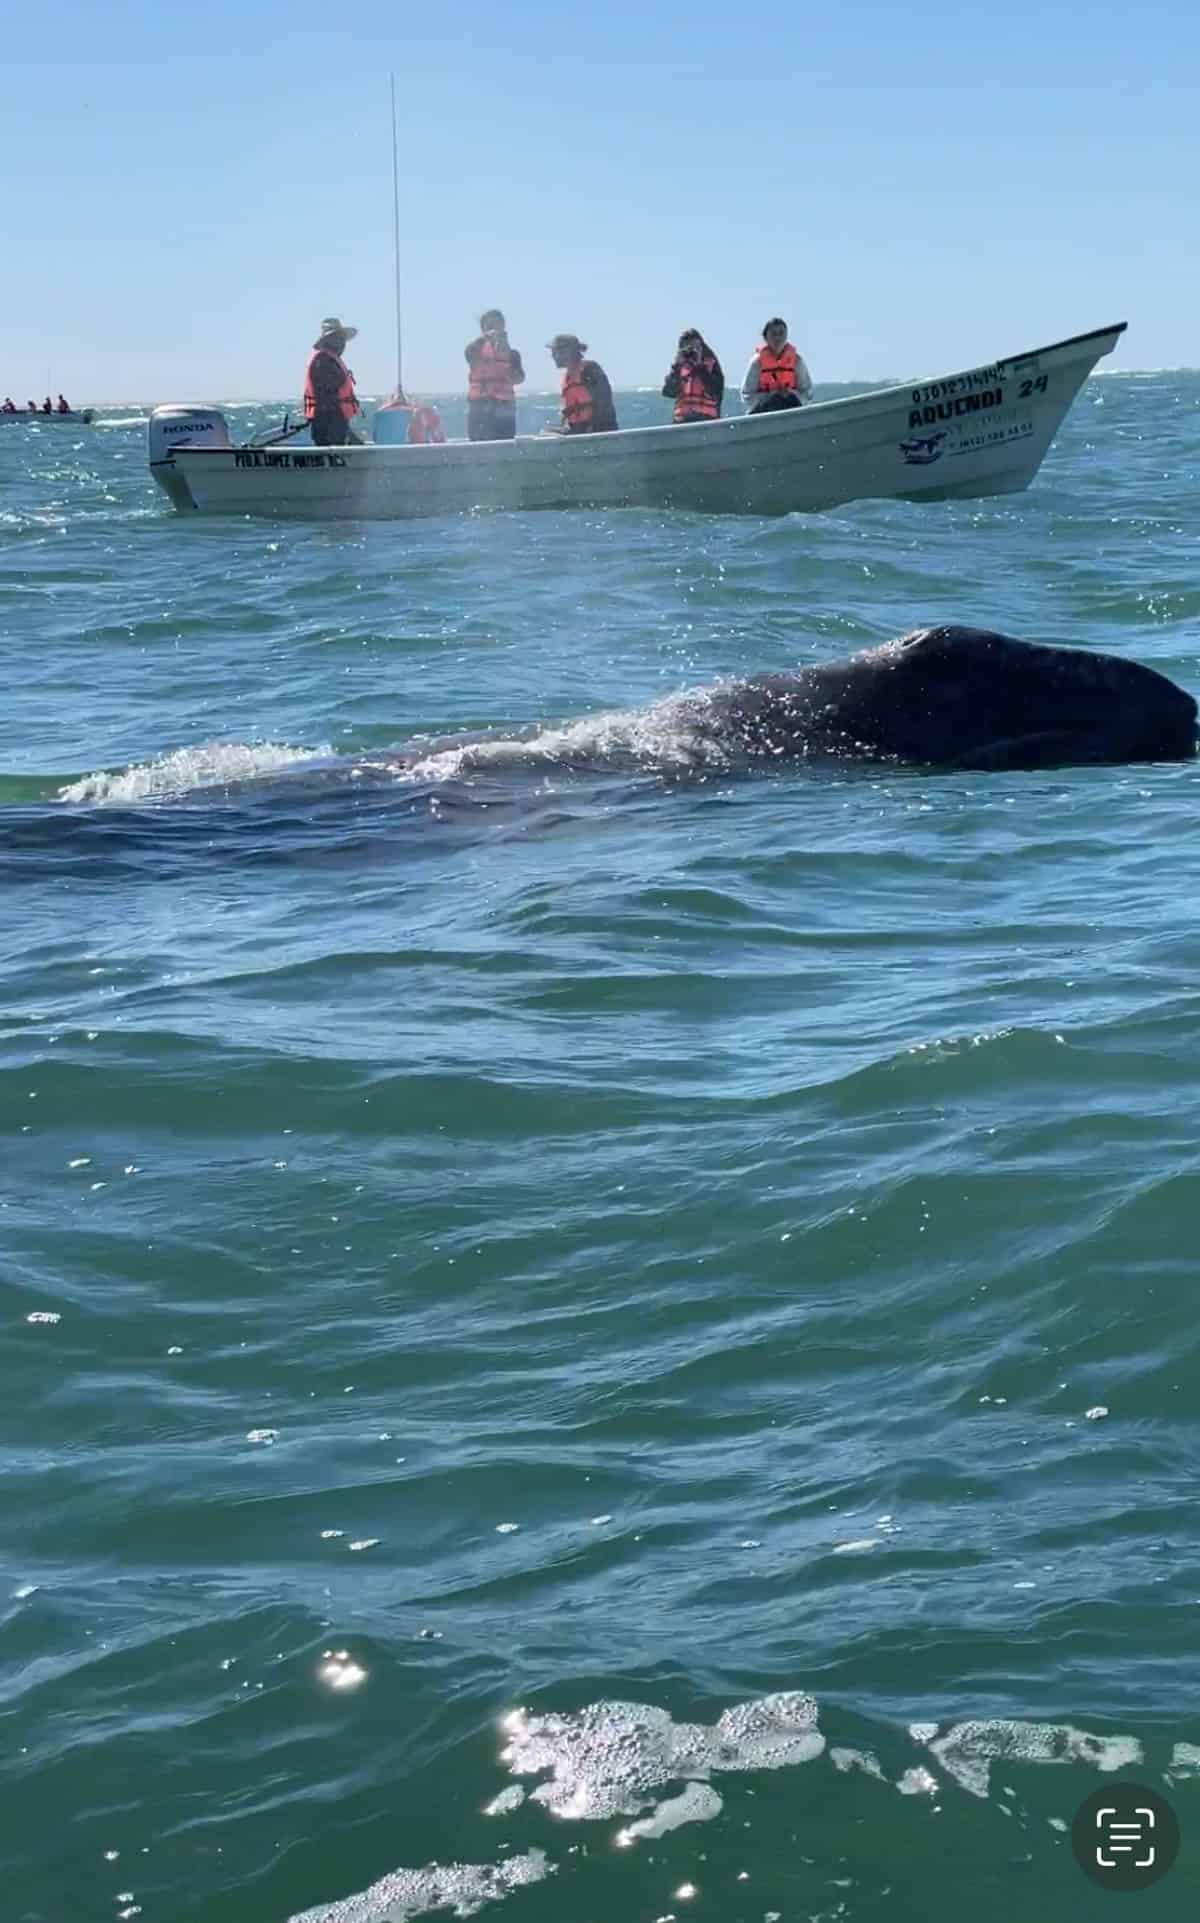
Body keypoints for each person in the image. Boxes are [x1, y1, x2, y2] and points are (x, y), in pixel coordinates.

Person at [464, 309, 524, 441]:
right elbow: (469, 356)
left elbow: (519, 378)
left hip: (504, 407)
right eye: (489, 326)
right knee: (477, 443)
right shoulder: (474, 349)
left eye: (497, 325)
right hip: (479, 407)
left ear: (503, 326)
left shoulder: (513, 354)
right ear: (482, 329)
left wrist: (506, 357)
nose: (493, 330)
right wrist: (485, 339)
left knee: (504, 440)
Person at [303, 316, 362, 447]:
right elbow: (328, 399)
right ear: (328, 340)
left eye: (342, 338)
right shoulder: (323, 361)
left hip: (334, 421)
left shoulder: (330, 359)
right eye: (337, 338)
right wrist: (347, 433)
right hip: (327, 423)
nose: (341, 342)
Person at [547, 334, 618, 434]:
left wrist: (592, 428)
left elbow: (604, 401)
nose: (553, 356)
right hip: (578, 429)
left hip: (599, 429)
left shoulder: (590, 370)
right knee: (546, 433)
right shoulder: (568, 377)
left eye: (555, 352)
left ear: (568, 352)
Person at [741, 317, 813, 414]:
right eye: (773, 334)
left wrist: (791, 394)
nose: (777, 338)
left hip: (792, 408)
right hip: (764, 411)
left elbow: (807, 393)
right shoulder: (757, 362)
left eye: (781, 333)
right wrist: (770, 396)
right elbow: (747, 396)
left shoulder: (797, 361)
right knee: (775, 400)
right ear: (766, 338)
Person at [662, 329, 724, 423]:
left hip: (707, 421)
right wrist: (676, 367)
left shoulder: (711, 364)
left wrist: (700, 367)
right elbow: (668, 392)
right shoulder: (679, 367)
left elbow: (716, 390)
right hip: (682, 422)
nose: (691, 351)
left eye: (696, 347)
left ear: (702, 347)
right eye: (686, 347)